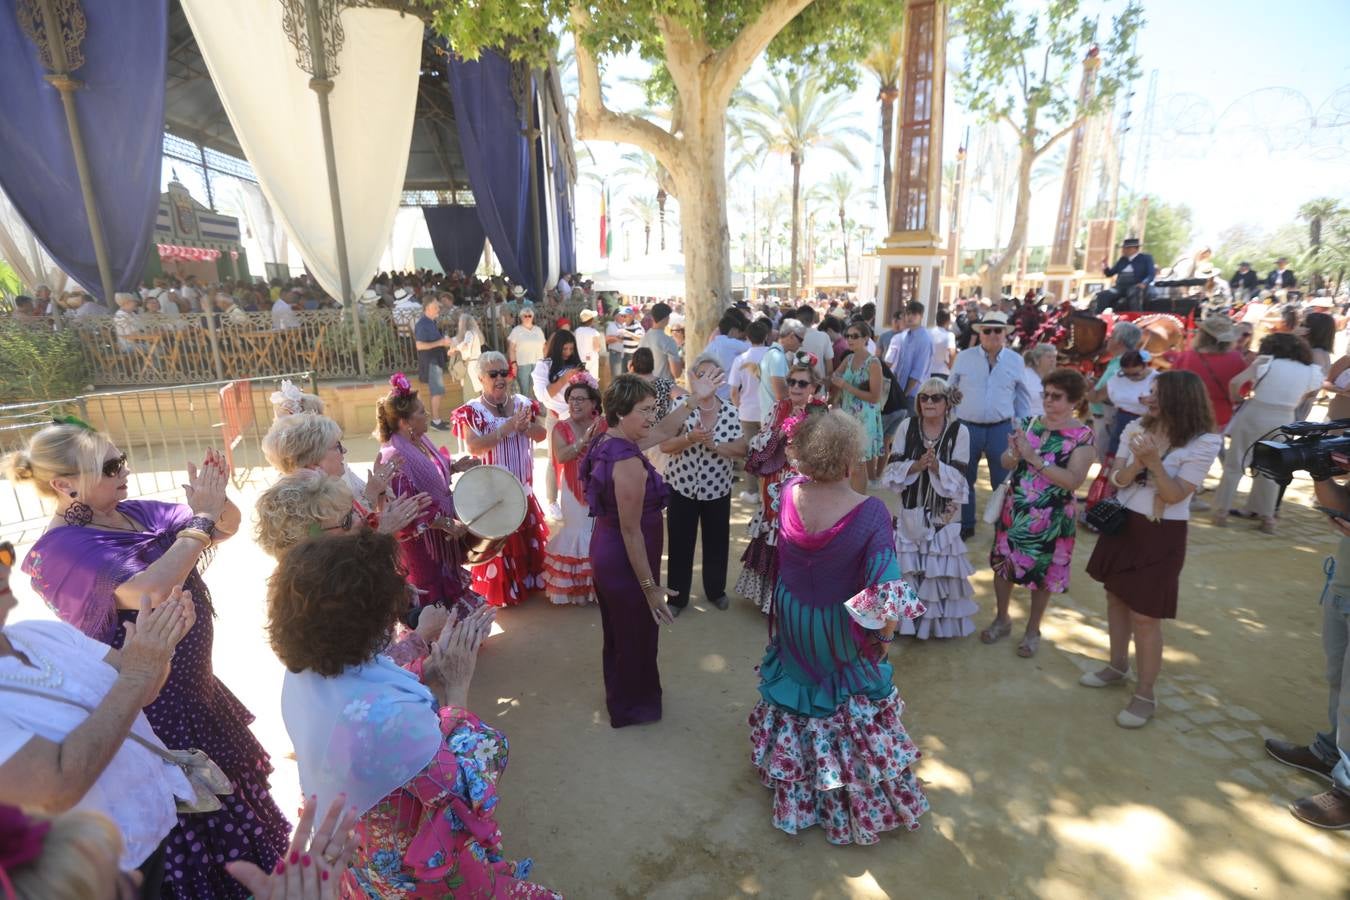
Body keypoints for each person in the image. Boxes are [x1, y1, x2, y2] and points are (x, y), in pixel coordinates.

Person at [4, 424, 290, 898]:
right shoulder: (56, 551)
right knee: (204, 844)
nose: (125, 471)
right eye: (111, 467)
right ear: (63, 484)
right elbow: (150, 588)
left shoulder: (129, 513)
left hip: (198, 696)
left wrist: (212, 498)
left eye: (122, 459)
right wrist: (200, 518)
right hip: (159, 712)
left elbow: (221, 525)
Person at [271, 532, 562, 898]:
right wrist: (457, 686)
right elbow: (460, 786)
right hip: (413, 860)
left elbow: (366, 687)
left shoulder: (305, 669)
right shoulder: (391, 718)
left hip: (358, 843)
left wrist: (428, 665)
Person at [747, 409, 929, 845]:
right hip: (837, 624)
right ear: (852, 457)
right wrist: (884, 636)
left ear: (804, 456)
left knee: (798, 684)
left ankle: (794, 772)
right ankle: (846, 794)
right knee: (844, 696)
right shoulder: (870, 514)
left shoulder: (790, 491)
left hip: (791, 611)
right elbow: (885, 586)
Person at [1, 554, 195, 898]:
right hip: (84, 883)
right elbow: (56, 787)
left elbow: (142, 690)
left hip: (152, 838)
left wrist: (159, 646)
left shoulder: (39, 633)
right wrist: (140, 669)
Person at [1083, 371, 1222, 729]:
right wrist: (1136, 464)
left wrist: (1155, 463)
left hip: (1162, 532)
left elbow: (1176, 494)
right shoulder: (1135, 429)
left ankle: (1145, 693)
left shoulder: (1206, 441)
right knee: (1115, 596)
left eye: (1158, 392)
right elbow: (1115, 479)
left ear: (1180, 398)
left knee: (1146, 615)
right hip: (1124, 523)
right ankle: (1117, 665)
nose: (1149, 397)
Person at [580, 376, 675, 727]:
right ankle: (632, 707)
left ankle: (623, 696)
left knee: (622, 632)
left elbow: (664, 429)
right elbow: (631, 531)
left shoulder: (609, 439)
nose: (652, 417)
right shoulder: (629, 463)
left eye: (654, 408)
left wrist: (697, 400)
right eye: (645, 410)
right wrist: (651, 589)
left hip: (609, 552)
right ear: (621, 413)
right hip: (624, 559)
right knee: (636, 632)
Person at [984, 369, 1095, 657]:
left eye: (1056, 396)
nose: (1048, 400)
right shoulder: (1028, 423)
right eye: (1045, 394)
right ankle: (1002, 618)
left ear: (1073, 401)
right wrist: (1014, 454)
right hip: (1016, 510)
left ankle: (1033, 630)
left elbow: (1073, 481)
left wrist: (1034, 459)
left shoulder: (1082, 436)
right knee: (1003, 568)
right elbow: (1006, 462)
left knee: (1042, 576)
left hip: (1053, 518)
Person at [376, 374, 485, 615]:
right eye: (422, 413)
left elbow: (431, 472)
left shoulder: (419, 440)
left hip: (438, 535)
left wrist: (455, 466)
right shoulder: (394, 456)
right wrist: (445, 522)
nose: (427, 416)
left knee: (448, 589)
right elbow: (409, 507)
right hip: (421, 545)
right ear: (405, 423)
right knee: (431, 596)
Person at [881, 378, 977, 638]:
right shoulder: (906, 426)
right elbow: (891, 469)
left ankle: (932, 626)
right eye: (924, 397)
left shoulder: (960, 432)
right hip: (911, 509)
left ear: (947, 403)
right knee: (907, 566)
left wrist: (937, 467)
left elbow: (960, 477)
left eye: (936, 398)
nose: (929, 403)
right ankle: (903, 623)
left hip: (944, 513)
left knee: (938, 568)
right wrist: (917, 465)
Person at [452, 352, 549, 606]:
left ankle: (525, 585)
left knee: (524, 543)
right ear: (481, 378)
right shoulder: (472, 411)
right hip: (491, 495)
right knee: (499, 546)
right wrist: (505, 429)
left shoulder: (523, 403)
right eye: (493, 374)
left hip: (522, 490)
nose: (500, 379)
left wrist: (525, 427)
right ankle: (504, 593)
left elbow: (541, 435)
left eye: (503, 373)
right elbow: (474, 447)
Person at [736, 356, 826, 613]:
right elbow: (760, 441)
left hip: (807, 483)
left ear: (814, 387)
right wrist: (779, 435)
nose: (795, 387)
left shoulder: (822, 412)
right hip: (776, 482)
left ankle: (796, 598)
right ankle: (771, 599)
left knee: (801, 533)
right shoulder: (779, 408)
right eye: (791, 382)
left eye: (802, 383)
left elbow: (827, 452)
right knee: (774, 531)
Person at [659, 355, 746, 616]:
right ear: (694, 378)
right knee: (679, 543)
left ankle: (715, 591)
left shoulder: (730, 410)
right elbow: (665, 445)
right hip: (682, 486)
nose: (710, 380)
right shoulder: (681, 406)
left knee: (717, 541)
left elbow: (742, 449)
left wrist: (714, 446)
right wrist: (690, 437)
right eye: (704, 374)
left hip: (717, 488)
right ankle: (676, 598)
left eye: (715, 375)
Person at [1213, 333, 1323, 533]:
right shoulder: (1311, 371)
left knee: (1235, 463)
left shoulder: (1266, 361)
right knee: (1272, 468)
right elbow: (1312, 393)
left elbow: (1236, 383)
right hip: (1284, 417)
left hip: (1256, 411)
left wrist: (1237, 399)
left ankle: (1221, 511)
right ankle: (1267, 517)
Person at [947, 311, 1033, 539]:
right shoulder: (964, 357)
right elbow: (950, 389)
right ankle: (966, 524)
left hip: (1001, 429)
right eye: (988, 330)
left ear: (1005, 333)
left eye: (998, 330)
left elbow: (1023, 398)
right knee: (964, 479)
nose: (993, 334)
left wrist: (1022, 428)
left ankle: (1000, 524)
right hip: (967, 427)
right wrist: (954, 418)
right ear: (980, 333)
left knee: (1002, 481)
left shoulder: (1016, 360)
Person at [543, 374, 606, 606]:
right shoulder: (560, 427)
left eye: (581, 399)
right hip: (572, 487)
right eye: (571, 399)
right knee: (578, 530)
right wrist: (583, 441)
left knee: (599, 533)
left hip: (600, 488)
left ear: (593, 403)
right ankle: (579, 588)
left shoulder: (604, 424)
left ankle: (598, 587)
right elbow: (562, 455)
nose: (575, 404)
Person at [830, 320, 884, 493]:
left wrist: (845, 386)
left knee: (858, 465)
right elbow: (835, 375)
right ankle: (852, 500)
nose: (850, 340)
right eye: (847, 336)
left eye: (855, 336)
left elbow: (875, 398)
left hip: (864, 419)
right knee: (849, 463)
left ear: (866, 338)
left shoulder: (873, 363)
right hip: (847, 416)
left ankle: (859, 503)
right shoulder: (849, 358)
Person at [730, 319, 771, 502]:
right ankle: (768, 491)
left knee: (750, 453)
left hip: (747, 411)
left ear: (747, 337)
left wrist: (739, 406)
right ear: (767, 336)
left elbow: (733, 391)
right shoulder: (773, 355)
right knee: (769, 451)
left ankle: (752, 491)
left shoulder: (741, 359)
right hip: (769, 411)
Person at [1104, 350, 1158, 457]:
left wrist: (1152, 401)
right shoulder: (1118, 377)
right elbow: (1114, 397)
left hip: (1149, 421)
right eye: (1127, 374)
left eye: (1135, 374)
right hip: (1122, 418)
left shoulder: (1157, 379)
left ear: (1145, 366)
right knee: (1116, 451)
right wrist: (1137, 400)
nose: (1131, 377)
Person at [413, 295, 454, 431]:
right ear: (427, 309)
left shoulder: (430, 322)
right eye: (435, 307)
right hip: (431, 362)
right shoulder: (423, 324)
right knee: (436, 392)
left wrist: (443, 342)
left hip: (434, 361)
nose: (438, 309)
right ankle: (435, 421)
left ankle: (436, 420)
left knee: (438, 391)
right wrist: (441, 342)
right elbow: (419, 346)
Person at [1095, 237, 1155, 313]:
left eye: (1126, 248)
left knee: (1134, 293)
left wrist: (1144, 283)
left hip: (1135, 286)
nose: (1123, 250)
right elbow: (1109, 273)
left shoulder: (1146, 258)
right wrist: (1105, 265)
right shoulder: (1122, 260)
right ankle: (1098, 318)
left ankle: (1135, 316)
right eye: (1124, 248)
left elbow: (1151, 274)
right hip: (1120, 287)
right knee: (1102, 295)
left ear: (1134, 249)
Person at [703, 312, 749, 399]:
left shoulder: (711, 346)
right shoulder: (731, 343)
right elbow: (753, 348)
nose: (739, 335)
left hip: (709, 393)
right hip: (725, 396)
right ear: (733, 330)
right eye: (738, 332)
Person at [506, 307, 546, 399]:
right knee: (524, 390)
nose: (527, 317)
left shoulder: (538, 330)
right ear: (521, 317)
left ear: (533, 317)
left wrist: (544, 362)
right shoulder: (516, 330)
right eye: (525, 316)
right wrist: (513, 364)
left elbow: (544, 347)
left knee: (537, 389)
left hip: (538, 363)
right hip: (522, 364)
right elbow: (511, 349)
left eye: (529, 316)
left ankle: (537, 409)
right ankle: (526, 409)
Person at [639, 301, 683, 381]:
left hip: (646, 386)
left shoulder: (643, 339)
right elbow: (676, 373)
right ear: (667, 318)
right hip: (663, 387)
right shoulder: (668, 341)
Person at [451, 311, 485, 401]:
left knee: (471, 396)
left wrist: (454, 349)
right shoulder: (476, 333)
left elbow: (466, 346)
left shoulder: (469, 333)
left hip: (471, 366)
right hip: (478, 365)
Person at [794, 305, 833, 381]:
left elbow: (789, 363)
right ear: (813, 320)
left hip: (797, 384)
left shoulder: (792, 337)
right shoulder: (824, 336)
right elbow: (829, 367)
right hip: (818, 383)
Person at [1021, 344, 1057, 417]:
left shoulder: (1056, 378)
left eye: (1054, 357)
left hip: (1049, 422)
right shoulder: (1024, 376)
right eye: (1049, 357)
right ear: (1037, 360)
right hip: (1026, 422)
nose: (1052, 360)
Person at [928, 308, 958, 379]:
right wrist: (951, 366)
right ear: (948, 321)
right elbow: (952, 353)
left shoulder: (928, 332)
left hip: (928, 371)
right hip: (943, 371)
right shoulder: (949, 335)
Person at [574, 308, 604, 379]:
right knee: (593, 381)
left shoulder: (577, 331)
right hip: (591, 360)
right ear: (591, 320)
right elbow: (597, 348)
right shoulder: (594, 332)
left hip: (580, 359)